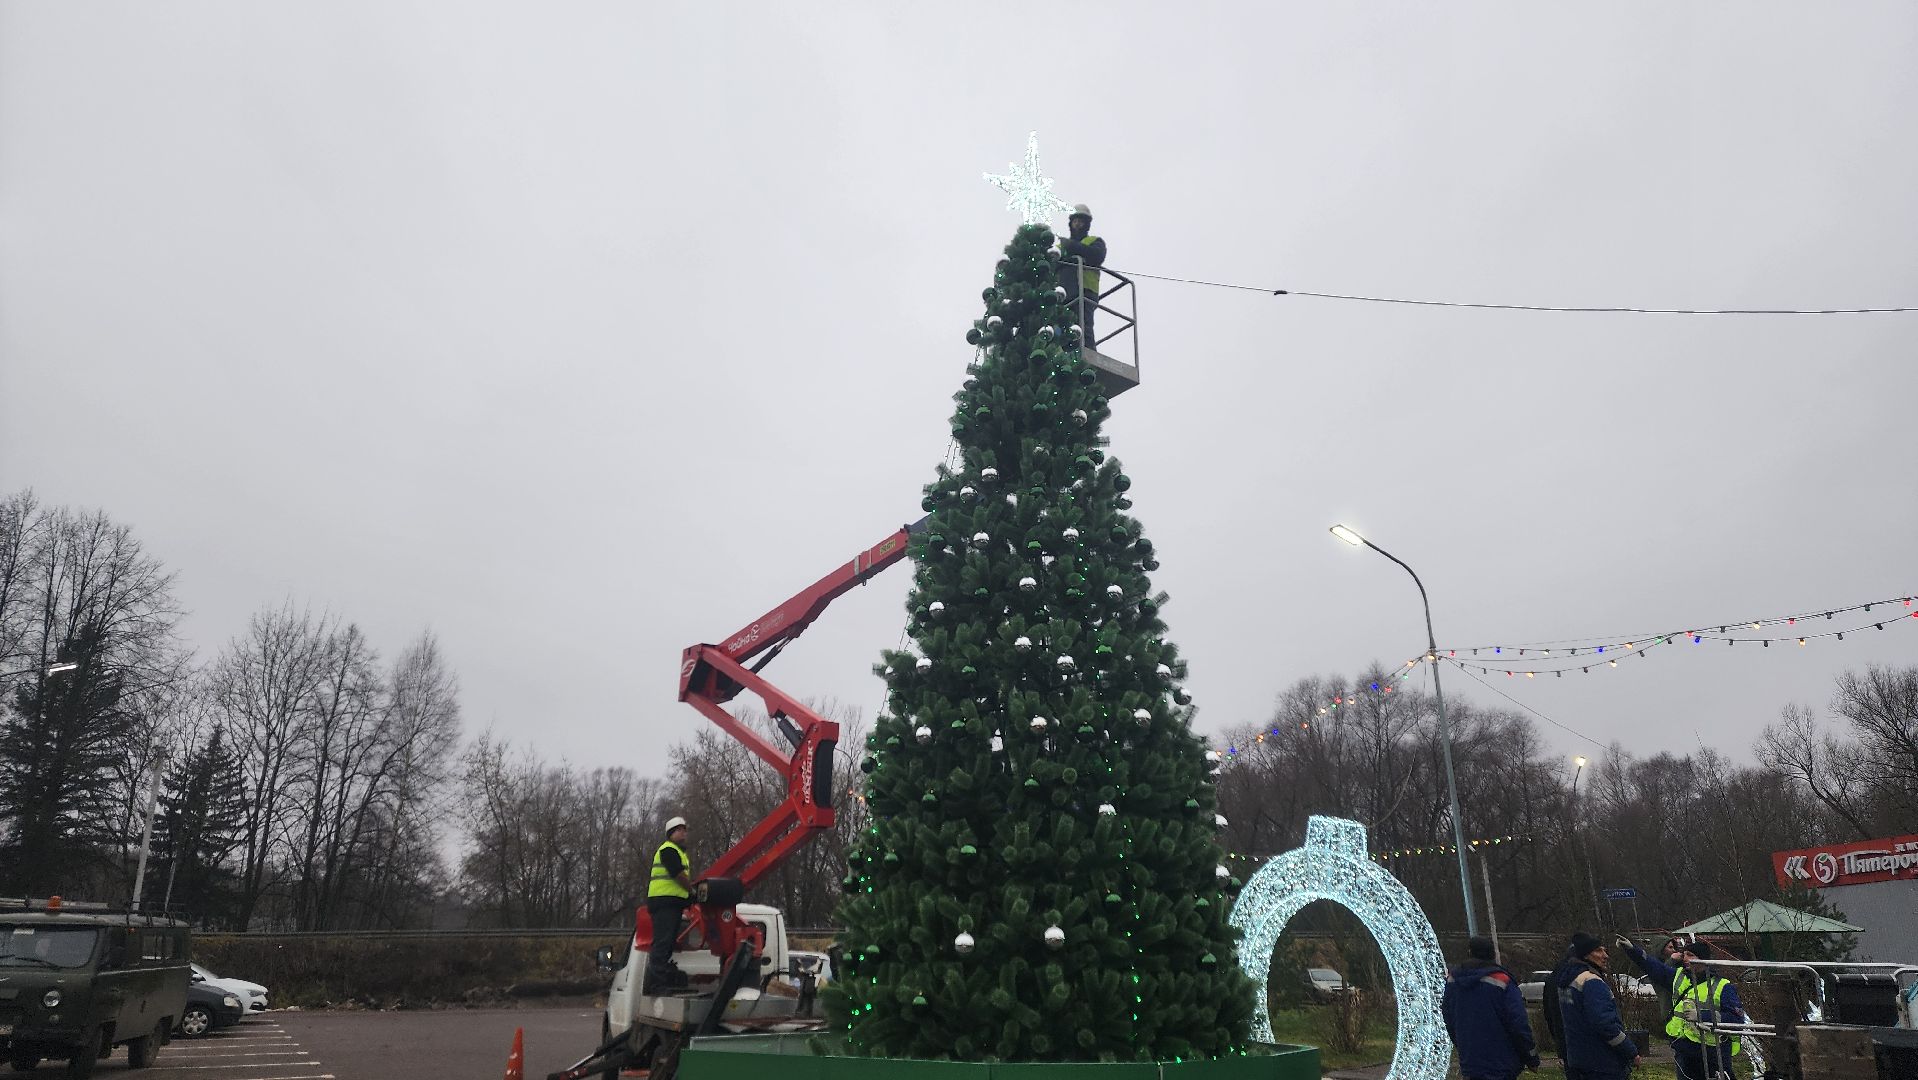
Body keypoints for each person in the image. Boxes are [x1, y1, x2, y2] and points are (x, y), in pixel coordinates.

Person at [1618, 935, 1744, 1080]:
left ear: (1703, 960)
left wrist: (1702, 1016)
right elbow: (1652, 966)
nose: (1684, 958)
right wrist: (1632, 950)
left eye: (1690, 955)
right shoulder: (1679, 977)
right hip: (1684, 1051)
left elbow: (1736, 1020)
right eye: (1684, 955)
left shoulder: (1723, 987)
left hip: (1714, 1054)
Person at [1442, 936, 1540, 1080]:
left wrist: (1462, 1045)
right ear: (1492, 954)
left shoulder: (1453, 981)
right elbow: (1518, 1023)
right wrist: (1531, 1057)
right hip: (1501, 1063)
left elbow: (1448, 1018)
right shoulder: (1502, 981)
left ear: (1469, 953)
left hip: (1470, 1062)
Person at [1547, 932, 1640, 1080]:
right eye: (1598, 951)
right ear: (1585, 955)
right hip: (1602, 1063)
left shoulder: (1566, 981)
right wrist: (1630, 1051)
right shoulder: (1591, 981)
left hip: (1577, 1061)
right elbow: (1605, 1024)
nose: (1605, 955)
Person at [645, 816, 694, 993]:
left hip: (672, 904)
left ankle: (662, 981)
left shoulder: (680, 852)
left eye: (684, 830)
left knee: (667, 945)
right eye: (679, 830)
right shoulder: (668, 850)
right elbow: (679, 875)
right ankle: (657, 985)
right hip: (664, 903)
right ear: (671, 833)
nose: (683, 833)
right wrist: (692, 891)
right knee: (662, 944)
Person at [1057, 204, 1106, 343]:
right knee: (1062, 329)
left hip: (1086, 291)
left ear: (1087, 224)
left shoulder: (1095, 242)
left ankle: (1088, 353)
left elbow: (1097, 255)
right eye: (1075, 221)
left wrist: (1072, 247)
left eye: (1081, 221)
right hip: (1063, 294)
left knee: (1084, 328)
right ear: (1071, 223)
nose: (1077, 224)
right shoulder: (1060, 248)